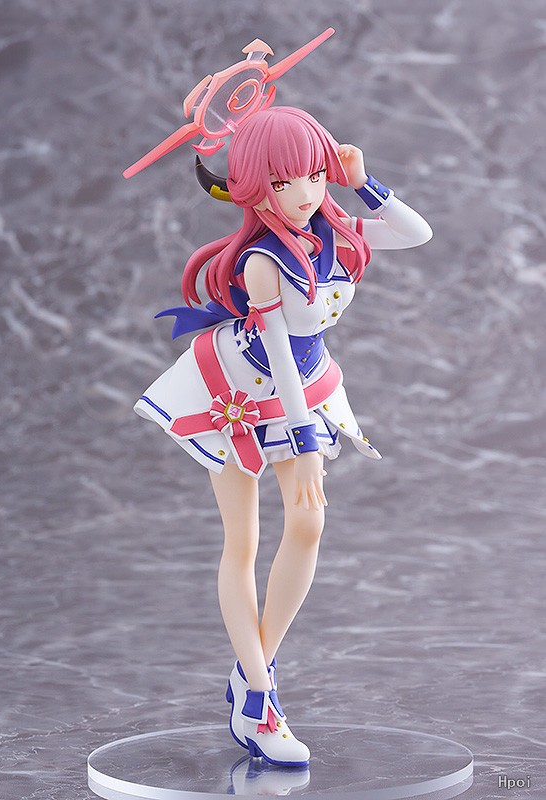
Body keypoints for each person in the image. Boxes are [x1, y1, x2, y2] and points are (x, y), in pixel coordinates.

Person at [126, 36, 432, 769]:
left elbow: (417, 234)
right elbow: (277, 355)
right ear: (253, 186)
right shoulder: (265, 261)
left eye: (313, 174)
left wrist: (362, 181)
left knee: (310, 524)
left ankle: (251, 676)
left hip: (304, 384)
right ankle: (261, 699)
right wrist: (305, 437)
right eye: (286, 180)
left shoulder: (334, 235)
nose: (305, 192)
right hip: (237, 390)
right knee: (244, 540)